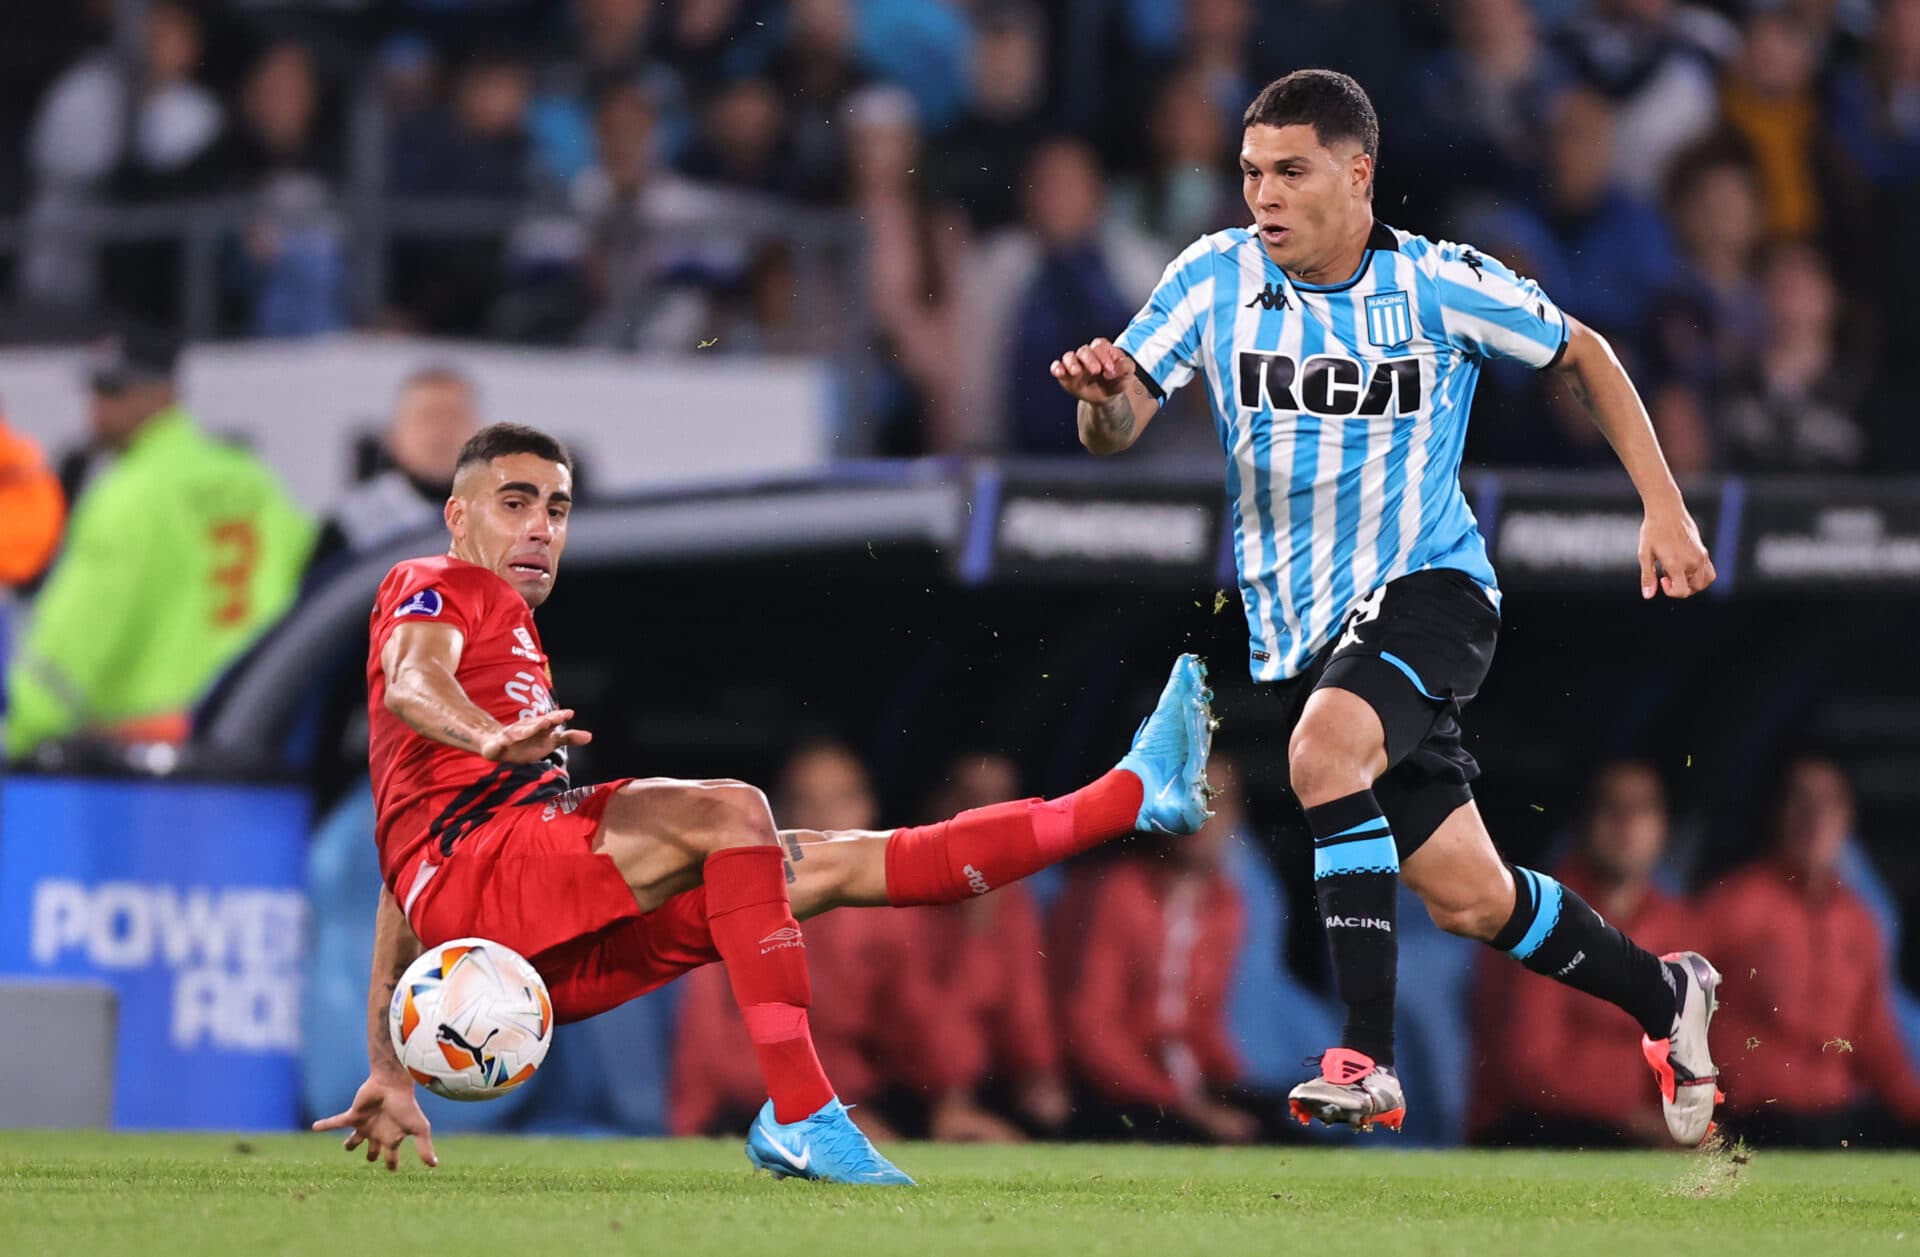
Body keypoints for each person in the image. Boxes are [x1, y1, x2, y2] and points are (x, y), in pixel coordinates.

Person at [1050, 69, 1722, 1144]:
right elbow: (1121, 422)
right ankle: (1666, 996)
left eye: (1291, 172)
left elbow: (1582, 352)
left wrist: (1665, 509)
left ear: (1358, 175)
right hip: (1310, 630)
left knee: (1321, 756)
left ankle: (1367, 1057)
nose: (1263, 196)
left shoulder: (1436, 284)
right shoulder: (1212, 278)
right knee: (1469, 895)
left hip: (1431, 593)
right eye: (1250, 173)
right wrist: (1102, 400)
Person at [314, 422, 1216, 1182]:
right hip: (493, 876)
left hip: (533, 944)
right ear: (457, 514)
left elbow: (406, 882)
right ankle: (802, 1111)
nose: (541, 527)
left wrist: (390, 1067)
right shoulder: (434, 582)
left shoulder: (509, 641)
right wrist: (485, 736)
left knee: (825, 863)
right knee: (730, 806)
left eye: (556, 508)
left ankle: (1129, 796)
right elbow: (412, 679)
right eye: (515, 503)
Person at [3, 329, 313, 760]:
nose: (97, 408)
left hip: (141, 749)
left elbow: (80, 628)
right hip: (248, 735)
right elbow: (304, 583)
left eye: (113, 391)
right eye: (96, 391)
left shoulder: (129, 492)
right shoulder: (250, 478)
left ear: (163, 394)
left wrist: (21, 727)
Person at [1696, 757, 1920, 1146]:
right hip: (1750, 1127)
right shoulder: (1732, 907)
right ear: (1776, 813)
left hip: (1840, 1126)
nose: (1815, 816)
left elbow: (1876, 1038)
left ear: (1848, 818)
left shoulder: (1860, 921)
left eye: (1830, 802)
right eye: (1801, 800)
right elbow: (1673, 1011)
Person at [1469, 762, 1692, 1146]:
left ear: (1663, 827)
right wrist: (1637, 1118)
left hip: (1635, 1135)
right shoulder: (1540, 915)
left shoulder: (1679, 923)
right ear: (1584, 823)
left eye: (1641, 809)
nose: (1626, 823)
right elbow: (1530, 1070)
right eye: (1611, 808)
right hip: (1535, 1132)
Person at [308, 366, 482, 574]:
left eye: (453, 417)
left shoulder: (510, 517)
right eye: (426, 417)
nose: (440, 432)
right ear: (393, 437)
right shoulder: (350, 526)